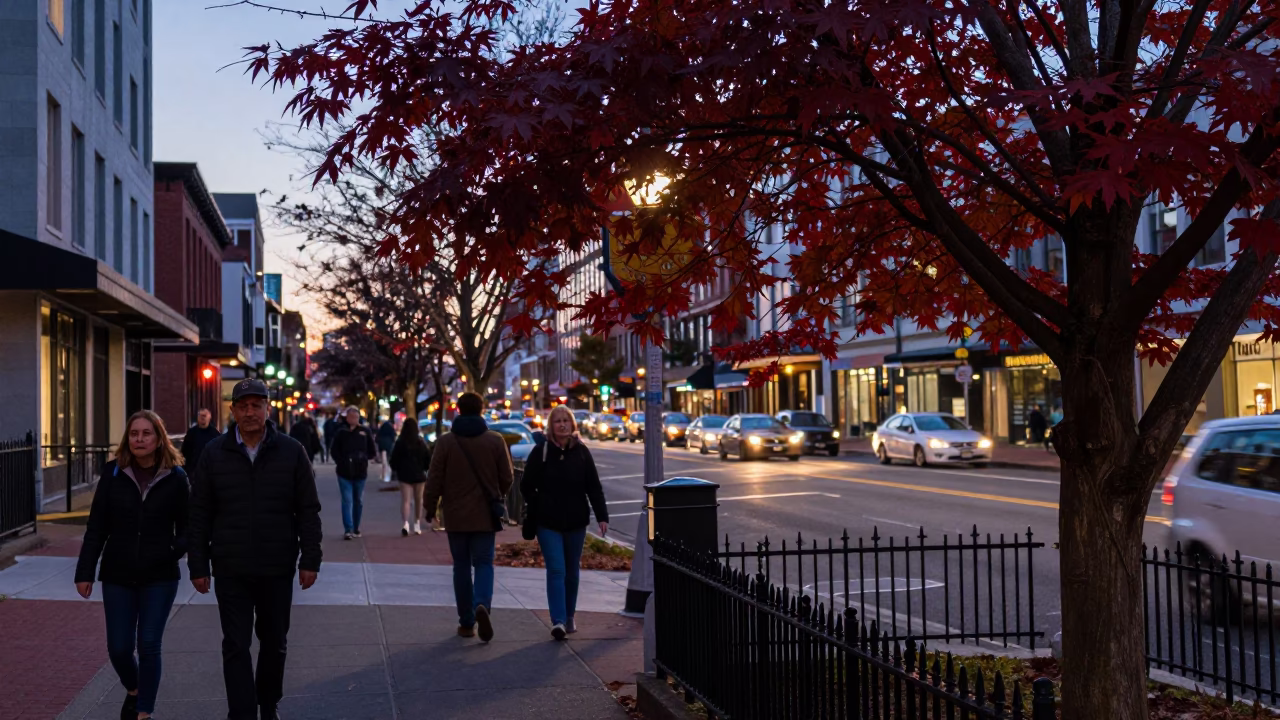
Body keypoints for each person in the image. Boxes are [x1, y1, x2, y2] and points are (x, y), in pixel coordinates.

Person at [187, 378, 323, 720]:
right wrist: (198, 563)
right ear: (232, 410)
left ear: (267, 409)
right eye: (243, 406)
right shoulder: (213, 453)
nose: (250, 412)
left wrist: (310, 558)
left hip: (276, 565)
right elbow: (199, 512)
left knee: (275, 641)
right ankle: (242, 711)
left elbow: (307, 509)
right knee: (235, 643)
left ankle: (267, 701)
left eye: (256, 405)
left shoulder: (291, 451)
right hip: (231, 566)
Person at [75, 410, 189, 720]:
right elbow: (96, 527)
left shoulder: (175, 477)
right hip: (118, 574)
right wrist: (84, 571)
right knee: (120, 648)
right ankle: (135, 688)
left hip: (160, 576)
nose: (139, 439)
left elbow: (190, 527)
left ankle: (143, 712)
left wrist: (171, 551)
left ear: (158, 439)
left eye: (146, 434)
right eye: (134, 433)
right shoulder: (113, 473)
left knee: (149, 643)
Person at [425, 392, 514, 642]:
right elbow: (507, 477)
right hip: (485, 514)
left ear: (458, 410)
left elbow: (434, 479)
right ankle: (482, 603)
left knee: (461, 566)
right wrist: (497, 496)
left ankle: (466, 622)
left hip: (455, 515)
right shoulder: (495, 441)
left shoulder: (446, 442)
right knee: (484, 562)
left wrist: (430, 507)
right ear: (481, 409)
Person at [519, 405, 609, 640]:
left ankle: (569, 616)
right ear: (551, 426)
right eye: (557, 421)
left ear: (572, 424)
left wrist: (602, 516)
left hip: (576, 521)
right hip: (547, 522)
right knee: (557, 569)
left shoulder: (581, 452)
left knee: (571, 571)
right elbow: (526, 485)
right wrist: (538, 501)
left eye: (565, 421)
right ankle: (557, 621)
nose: (562, 425)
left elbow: (594, 487)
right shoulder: (541, 452)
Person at [330, 406, 377, 540]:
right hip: (344, 472)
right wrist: (341, 461)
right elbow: (334, 450)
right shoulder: (341, 432)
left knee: (358, 500)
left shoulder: (364, 432)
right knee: (347, 500)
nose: (353, 419)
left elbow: (372, 451)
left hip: (360, 472)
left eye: (356, 417)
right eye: (351, 417)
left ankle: (356, 527)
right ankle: (348, 529)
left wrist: (363, 458)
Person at [390, 420, 431, 536]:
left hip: (404, 475)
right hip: (419, 475)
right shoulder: (421, 442)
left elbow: (393, 459)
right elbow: (428, 458)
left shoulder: (400, 443)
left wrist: (397, 469)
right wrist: (425, 469)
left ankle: (405, 524)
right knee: (419, 500)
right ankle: (417, 524)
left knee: (406, 501)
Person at [180, 408, 220, 475]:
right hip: (193, 471)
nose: (202, 418)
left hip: (210, 470)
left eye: (204, 415)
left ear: (209, 417)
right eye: (200, 415)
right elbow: (184, 452)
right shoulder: (191, 433)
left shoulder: (215, 434)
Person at [377, 416, 398, 483]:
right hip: (389, 446)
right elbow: (393, 437)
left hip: (382, 447)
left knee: (384, 462)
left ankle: (383, 475)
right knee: (389, 460)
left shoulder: (382, 430)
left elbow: (377, 438)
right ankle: (391, 474)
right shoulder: (391, 429)